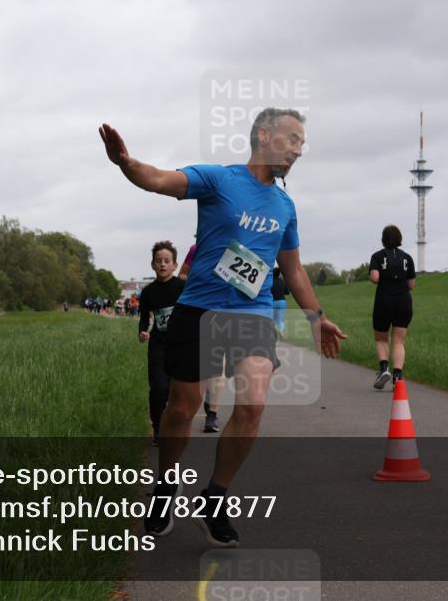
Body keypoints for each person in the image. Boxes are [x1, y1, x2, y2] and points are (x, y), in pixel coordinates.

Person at [99, 107, 347, 547]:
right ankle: (164, 488)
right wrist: (125, 163)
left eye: (302, 144)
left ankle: (214, 499)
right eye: (292, 139)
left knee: (252, 403)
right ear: (264, 135)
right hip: (198, 309)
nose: (298, 150)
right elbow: (159, 179)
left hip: (250, 316)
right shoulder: (220, 180)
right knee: (182, 407)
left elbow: (293, 269)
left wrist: (317, 316)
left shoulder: (285, 206)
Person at [138, 241, 185, 446]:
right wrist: (141, 331)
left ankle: (176, 427)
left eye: (167, 261)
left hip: (181, 345)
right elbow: (144, 318)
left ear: (175, 265)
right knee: (158, 388)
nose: (163, 265)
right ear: (153, 265)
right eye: (159, 261)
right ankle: (157, 427)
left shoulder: (183, 288)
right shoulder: (148, 292)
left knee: (177, 390)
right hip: (158, 344)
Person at [179, 235, 224, 434]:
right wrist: (199, 281)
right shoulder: (195, 249)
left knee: (216, 367)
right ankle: (184, 409)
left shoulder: (234, 250)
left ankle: (211, 414)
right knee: (195, 365)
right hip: (196, 311)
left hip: (222, 313)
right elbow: (182, 275)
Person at [369, 225, 416, 390]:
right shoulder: (407, 258)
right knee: (398, 341)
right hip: (404, 302)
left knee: (381, 339)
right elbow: (412, 284)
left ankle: (383, 369)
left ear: (383, 239)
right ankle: (397, 376)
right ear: (400, 239)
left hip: (384, 300)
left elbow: (375, 278)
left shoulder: (377, 256)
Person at [271, 265, 289, 337]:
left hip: (272, 302)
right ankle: (281, 330)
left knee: (273, 318)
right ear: (279, 274)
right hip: (282, 302)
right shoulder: (282, 282)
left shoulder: (270, 282)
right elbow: (287, 292)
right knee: (281, 319)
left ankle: (274, 331)